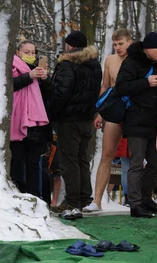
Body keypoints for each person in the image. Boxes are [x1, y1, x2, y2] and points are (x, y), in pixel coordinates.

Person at [115, 32, 157, 218]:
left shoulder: (156, 64)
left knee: (155, 162)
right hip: (136, 121)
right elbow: (121, 87)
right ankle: (135, 204)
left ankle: (147, 199)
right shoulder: (131, 62)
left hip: (155, 121)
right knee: (136, 164)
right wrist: (145, 82)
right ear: (148, 48)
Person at [49, 30, 102, 218]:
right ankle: (83, 197)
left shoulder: (67, 65)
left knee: (69, 161)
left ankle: (72, 202)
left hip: (68, 120)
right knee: (81, 159)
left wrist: (51, 112)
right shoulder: (95, 65)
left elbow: (61, 93)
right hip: (87, 119)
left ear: (70, 46)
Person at [84, 28, 133, 212]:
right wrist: (100, 113)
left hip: (133, 111)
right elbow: (105, 86)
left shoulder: (136, 60)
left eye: (121, 44)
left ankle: (137, 199)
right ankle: (97, 200)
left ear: (129, 42)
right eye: (115, 44)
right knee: (106, 154)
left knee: (136, 157)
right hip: (113, 111)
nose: (118, 47)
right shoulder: (110, 60)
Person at [10, 39, 52, 204]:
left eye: (33, 52)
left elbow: (48, 97)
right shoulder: (11, 68)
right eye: (26, 52)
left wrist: (45, 79)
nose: (30, 55)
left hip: (35, 124)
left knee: (34, 164)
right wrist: (29, 76)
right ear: (18, 53)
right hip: (17, 120)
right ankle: (18, 195)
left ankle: (36, 198)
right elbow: (10, 85)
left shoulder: (38, 70)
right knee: (17, 162)